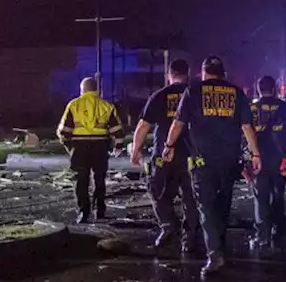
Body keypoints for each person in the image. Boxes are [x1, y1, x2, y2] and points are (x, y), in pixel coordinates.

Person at [163, 56, 262, 277]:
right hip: (229, 160)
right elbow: (247, 126)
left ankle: (215, 253)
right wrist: (255, 154)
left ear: (204, 72)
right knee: (223, 203)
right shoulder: (236, 92)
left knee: (206, 206)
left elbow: (178, 123)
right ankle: (220, 246)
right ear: (222, 73)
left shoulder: (193, 91)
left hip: (202, 160)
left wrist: (169, 145)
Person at [132, 59, 200, 253]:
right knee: (191, 197)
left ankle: (169, 226)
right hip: (190, 155)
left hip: (163, 155)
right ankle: (191, 237)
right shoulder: (195, 95)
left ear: (169, 74)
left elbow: (143, 125)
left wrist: (136, 150)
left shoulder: (159, 95)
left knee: (158, 191)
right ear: (188, 73)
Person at [56, 77, 124, 224]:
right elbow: (117, 130)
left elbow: (64, 131)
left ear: (82, 90)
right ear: (96, 89)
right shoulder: (107, 106)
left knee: (81, 181)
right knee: (99, 180)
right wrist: (118, 146)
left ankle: (83, 213)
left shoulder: (74, 105)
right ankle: (100, 211)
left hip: (79, 148)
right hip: (100, 147)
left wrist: (69, 146)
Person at [248, 75, 286, 250]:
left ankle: (263, 236)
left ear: (258, 89)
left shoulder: (252, 108)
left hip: (258, 158)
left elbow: (245, 132)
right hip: (280, 158)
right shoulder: (285, 107)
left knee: (261, 197)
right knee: (278, 194)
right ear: (274, 88)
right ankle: (280, 228)